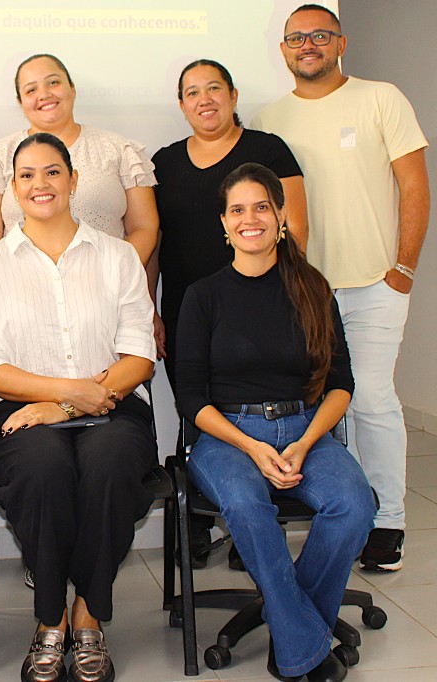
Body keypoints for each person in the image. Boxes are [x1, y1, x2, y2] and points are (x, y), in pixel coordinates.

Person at [0, 133, 157, 682]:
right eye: (26, 175)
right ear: (12, 189)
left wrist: (68, 406)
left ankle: (88, 614)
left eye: (52, 172)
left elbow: (139, 356)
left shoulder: (118, 256)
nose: (40, 184)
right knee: (44, 469)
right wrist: (65, 395)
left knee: (112, 463)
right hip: (17, 409)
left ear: (73, 180)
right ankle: (49, 617)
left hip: (114, 403)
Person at [174, 163, 374, 682]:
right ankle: (303, 643)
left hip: (306, 429)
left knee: (354, 506)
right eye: (237, 209)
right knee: (245, 503)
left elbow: (340, 383)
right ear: (224, 223)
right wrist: (253, 447)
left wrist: (307, 443)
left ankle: (290, 623)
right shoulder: (203, 296)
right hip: (227, 438)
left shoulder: (312, 288)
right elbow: (191, 398)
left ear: (281, 217)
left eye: (261, 206)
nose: (250, 219)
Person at [251, 3, 430, 571]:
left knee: (372, 401)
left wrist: (402, 268)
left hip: (375, 283)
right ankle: (343, 515)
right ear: (283, 50)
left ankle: (387, 521)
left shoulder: (381, 98)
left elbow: (414, 188)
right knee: (322, 408)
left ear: (340, 43)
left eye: (319, 35)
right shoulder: (268, 119)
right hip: (302, 291)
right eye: (296, 38)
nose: (308, 45)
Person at [151, 59, 307, 569]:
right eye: (192, 92)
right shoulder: (164, 163)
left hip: (265, 312)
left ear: (234, 95)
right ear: (181, 105)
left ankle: (252, 525)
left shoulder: (268, 150)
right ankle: (197, 526)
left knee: (255, 407)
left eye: (214, 88)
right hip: (187, 313)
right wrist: (151, 311)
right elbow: (154, 244)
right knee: (199, 411)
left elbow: (296, 228)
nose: (205, 100)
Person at [0, 53, 158, 265]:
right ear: (20, 102)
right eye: (31, 89)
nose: (44, 94)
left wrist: (114, 275)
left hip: (108, 289)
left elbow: (143, 228)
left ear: (72, 89)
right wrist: (25, 281)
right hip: (23, 290)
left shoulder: (120, 150)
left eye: (53, 82)